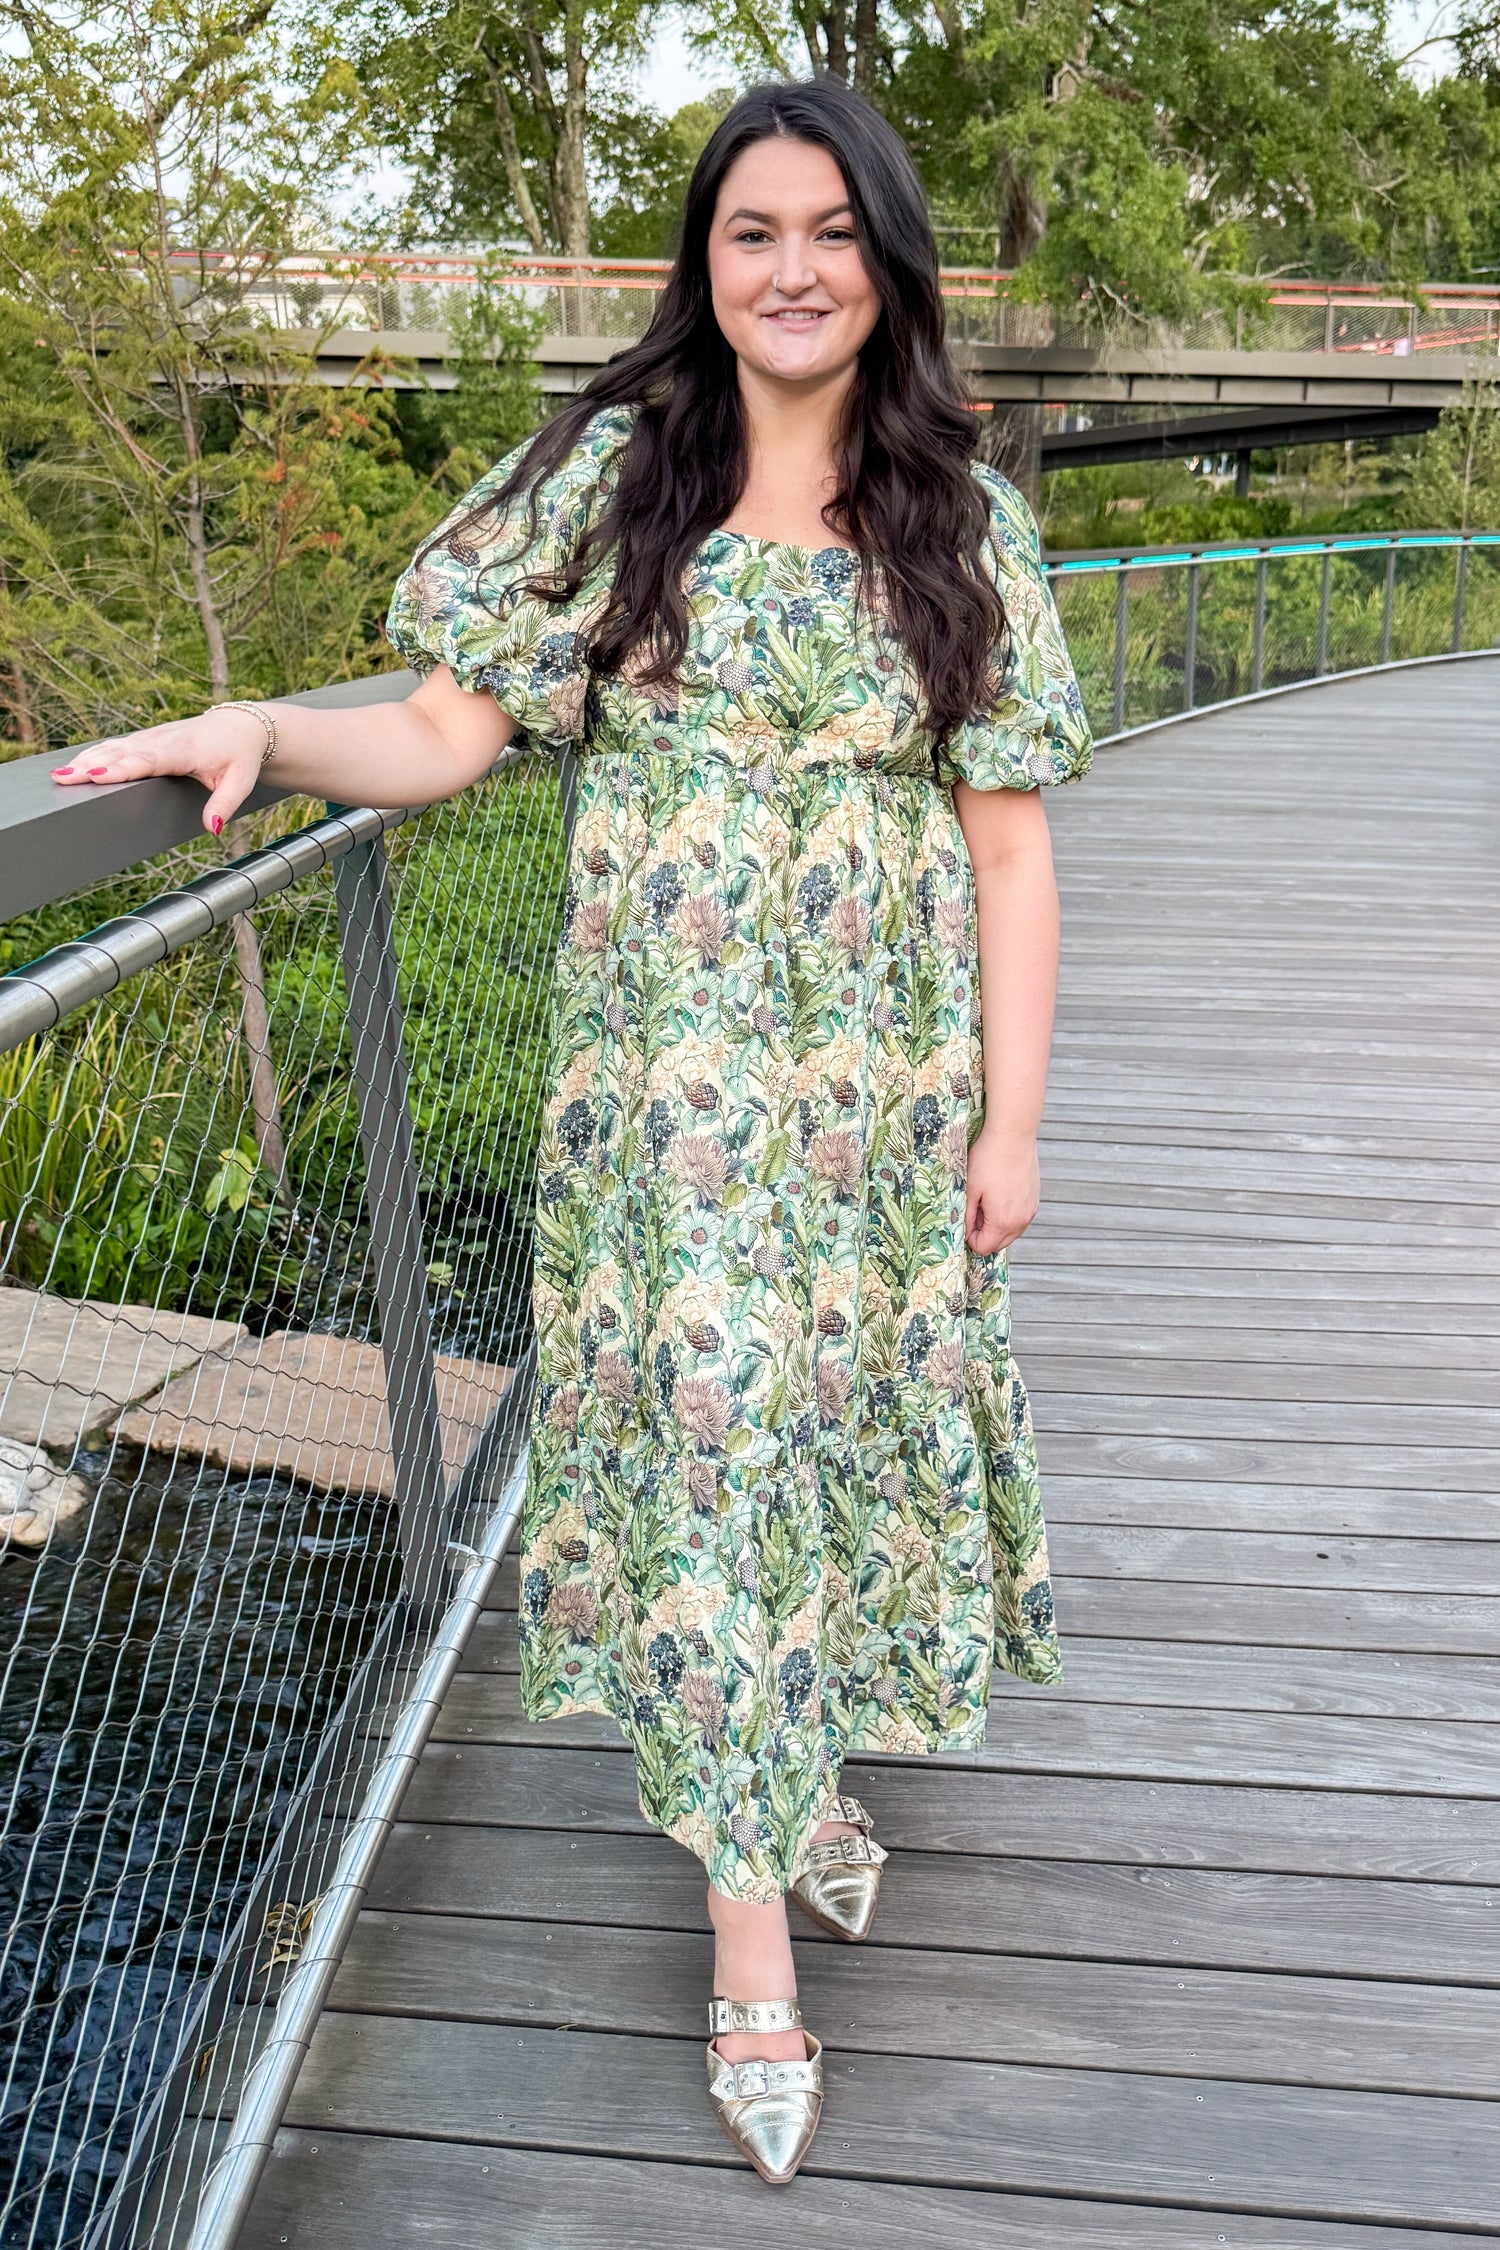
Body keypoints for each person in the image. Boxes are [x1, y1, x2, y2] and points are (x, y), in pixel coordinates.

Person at [52, 76, 1092, 2186]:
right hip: (672, 1106)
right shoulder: (621, 481)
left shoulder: (957, 519)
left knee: (821, 1434)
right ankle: (752, 1959)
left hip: (881, 1109)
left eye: (828, 232)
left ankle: (792, 1786)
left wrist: (1016, 1121)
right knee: (713, 1448)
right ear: (702, 270)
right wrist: (259, 726)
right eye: (748, 235)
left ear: (886, 263)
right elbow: (445, 729)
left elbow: (1010, 854)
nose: (789, 270)